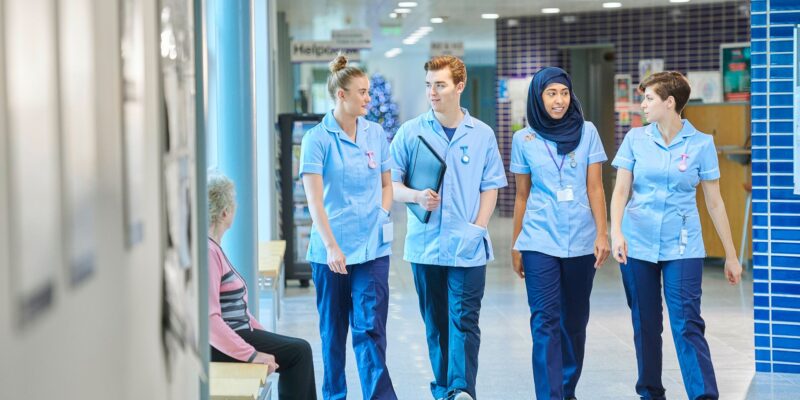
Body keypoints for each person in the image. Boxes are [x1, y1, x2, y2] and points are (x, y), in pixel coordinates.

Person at [609, 71, 743, 400]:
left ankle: (703, 395)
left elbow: (715, 202)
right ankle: (650, 393)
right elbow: (621, 190)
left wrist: (731, 254)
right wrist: (615, 232)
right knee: (646, 323)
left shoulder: (701, 144)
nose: (642, 105)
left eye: (649, 99)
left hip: (683, 246)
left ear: (670, 103)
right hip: (637, 243)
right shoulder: (635, 139)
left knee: (687, 323)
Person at [390, 55, 508, 400]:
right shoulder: (410, 132)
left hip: (467, 244)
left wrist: (478, 226)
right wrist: (415, 196)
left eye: (439, 85)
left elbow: (491, 186)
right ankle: (443, 389)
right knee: (437, 324)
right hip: (425, 246)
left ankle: (461, 389)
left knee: (465, 321)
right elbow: (390, 184)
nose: (432, 92)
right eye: (428, 85)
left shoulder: (482, 134)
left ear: (460, 86)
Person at [509, 67, 610, 400]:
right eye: (551, 93)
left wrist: (602, 233)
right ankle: (550, 395)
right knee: (544, 322)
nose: (559, 100)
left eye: (564, 92)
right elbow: (521, 196)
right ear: (538, 96)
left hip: (581, 240)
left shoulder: (588, 132)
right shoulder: (523, 139)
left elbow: (595, 187)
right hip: (539, 240)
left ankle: (566, 389)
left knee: (575, 323)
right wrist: (516, 244)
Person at [299, 55, 396, 400]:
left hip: (372, 249)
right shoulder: (317, 139)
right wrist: (331, 246)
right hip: (331, 253)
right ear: (341, 95)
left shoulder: (376, 134)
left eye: (369, 92)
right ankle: (334, 395)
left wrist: (381, 215)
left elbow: (387, 185)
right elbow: (314, 201)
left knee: (369, 329)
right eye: (362, 92)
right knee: (333, 331)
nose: (368, 98)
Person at [207, 174, 316, 400]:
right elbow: (211, 321)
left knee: (296, 349)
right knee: (299, 352)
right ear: (225, 212)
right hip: (222, 344)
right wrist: (251, 355)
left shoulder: (214, 248)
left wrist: (268, 338)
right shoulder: (209, 252)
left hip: (239, 332)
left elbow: (241, 313)